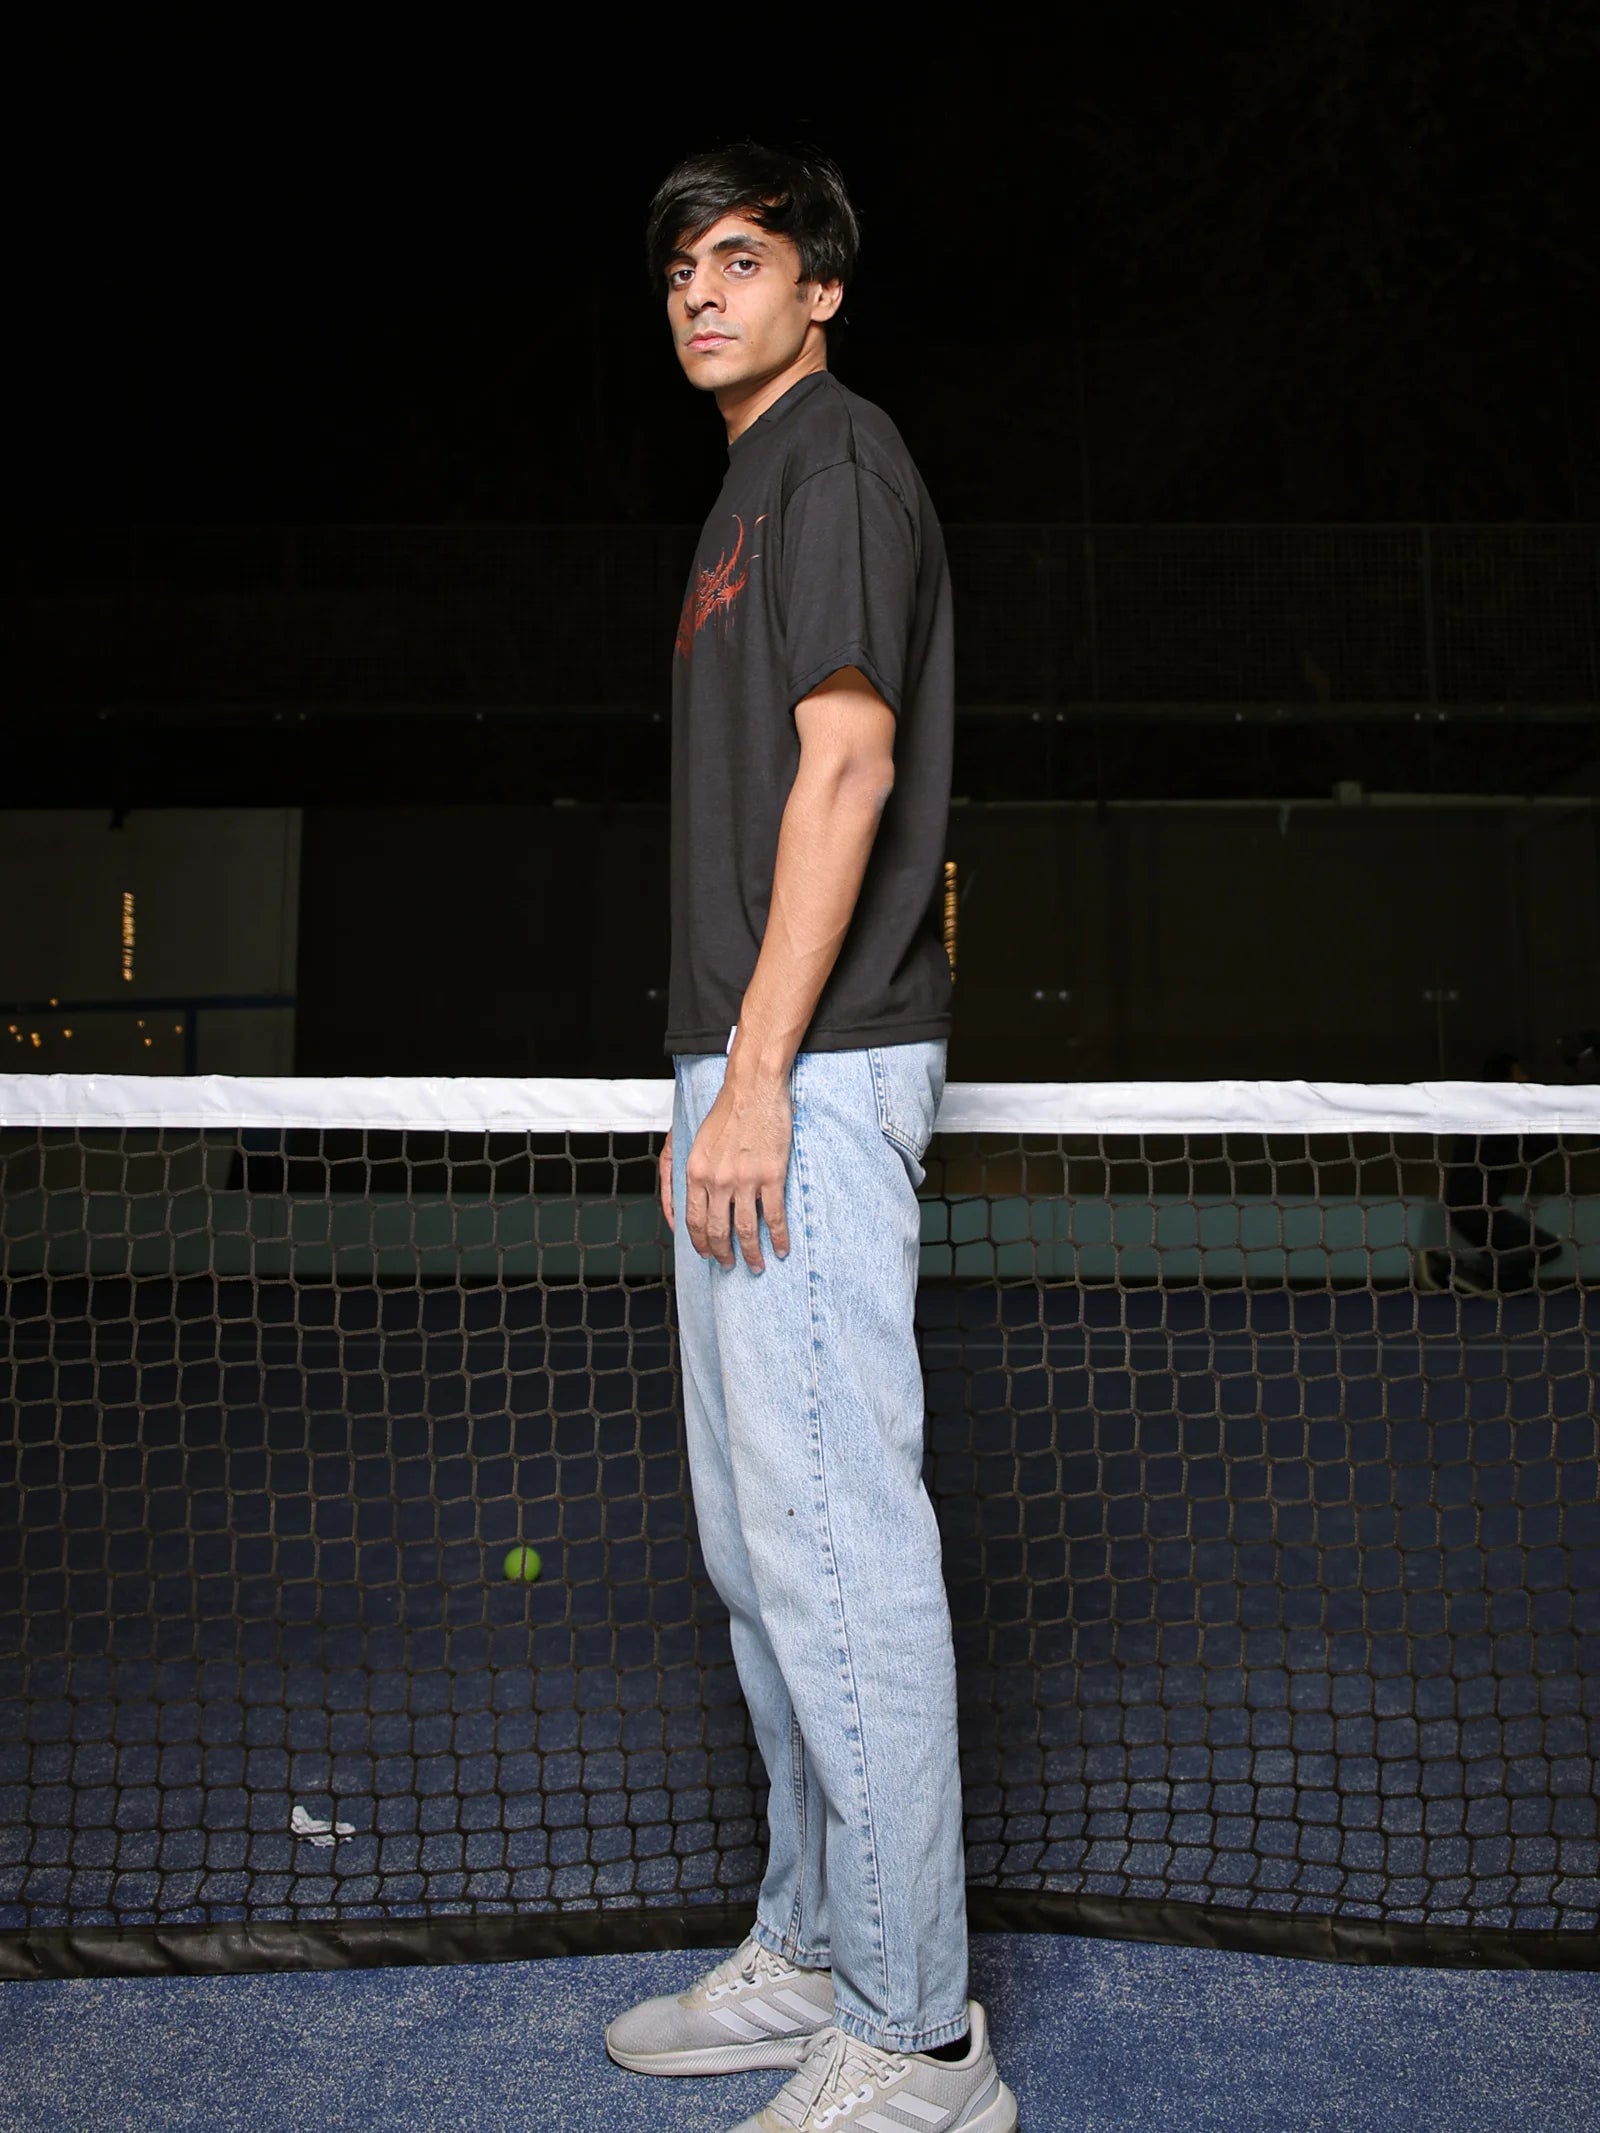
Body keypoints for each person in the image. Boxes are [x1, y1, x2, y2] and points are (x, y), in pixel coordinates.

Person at [603, 146, 1017, 2133]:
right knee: (759, 1553)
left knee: (840, 1551)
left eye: (741, 259)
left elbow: (845, 767)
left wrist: (761, 1070)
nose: (700, 290)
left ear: (820, 290)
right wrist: (720, 1066)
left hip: (812, 1067)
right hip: (740, 1060)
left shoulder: (834, 464)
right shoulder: (745, 488)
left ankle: (921, 2037)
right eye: (678, 265)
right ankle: (812, 1941)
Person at [1417, 1052, 1562, 1295]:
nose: (1527, 1078)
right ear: (1507, 1079)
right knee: (1548, 1247)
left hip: (1470, 1207)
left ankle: (1460, 1273)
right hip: (1476, 1209)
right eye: (1520, 1073)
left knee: (1519, 1280)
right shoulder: (1502, 1113)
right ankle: (1452, 1267)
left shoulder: (1482, 1111)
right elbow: (1538, 1145)